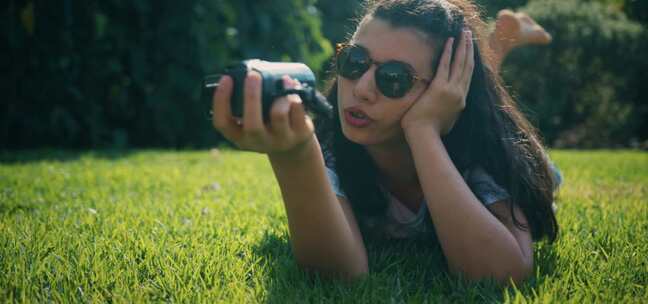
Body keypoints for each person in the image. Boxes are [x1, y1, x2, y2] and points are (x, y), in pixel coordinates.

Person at [212, 0, 561, 284]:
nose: (361, 89)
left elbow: (503, 274)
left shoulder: (486, 149)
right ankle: (500, 39)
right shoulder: (335, 145)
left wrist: (423, 130)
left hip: (489, 134)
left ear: (441, 93)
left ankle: (500, 42)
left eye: (394, 78)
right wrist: (297, 157)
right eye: (355, 61)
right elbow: (341, 276)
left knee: (489, 101)